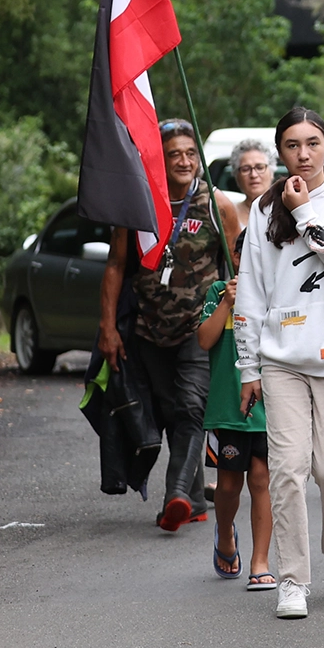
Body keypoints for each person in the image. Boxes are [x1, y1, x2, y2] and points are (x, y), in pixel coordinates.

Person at [235, 107, 324, 621]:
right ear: (281, 152)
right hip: (281, 358)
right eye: (293, 145)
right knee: (288, 470)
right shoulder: (260, 210)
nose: (304, 154)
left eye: (313, 143)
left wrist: (304, 213)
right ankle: (292, 577)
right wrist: (248, 366)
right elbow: (249, 291)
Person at [96, 119, 242, 532]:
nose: (184, 161)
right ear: (158, 160)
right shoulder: (136, 205)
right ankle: (194, 498)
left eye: (190, 153)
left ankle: (176, 495)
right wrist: (108, 327)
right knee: (167, 413)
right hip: (147, 330)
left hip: (200, 327)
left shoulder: (218, 206)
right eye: (174, 154)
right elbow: (115, 265)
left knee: (191, 408)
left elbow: (238, 263)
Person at [196, 236, 271, 589]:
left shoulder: (277, 292)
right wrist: (227, 302)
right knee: (229, 484)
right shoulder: (217, 292)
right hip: (227, 408)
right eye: (246, 253)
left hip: (269, 407)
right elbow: (204, 340)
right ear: (235, 256)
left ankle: (260, 560)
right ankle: (224, 533)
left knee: (261, 480)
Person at [230, 138, 275, 210]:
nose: (253, 175)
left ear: (271, 172)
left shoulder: (286, 210)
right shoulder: (228, 214)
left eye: (260, 167)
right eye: (245, 169)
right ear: (237, 175)